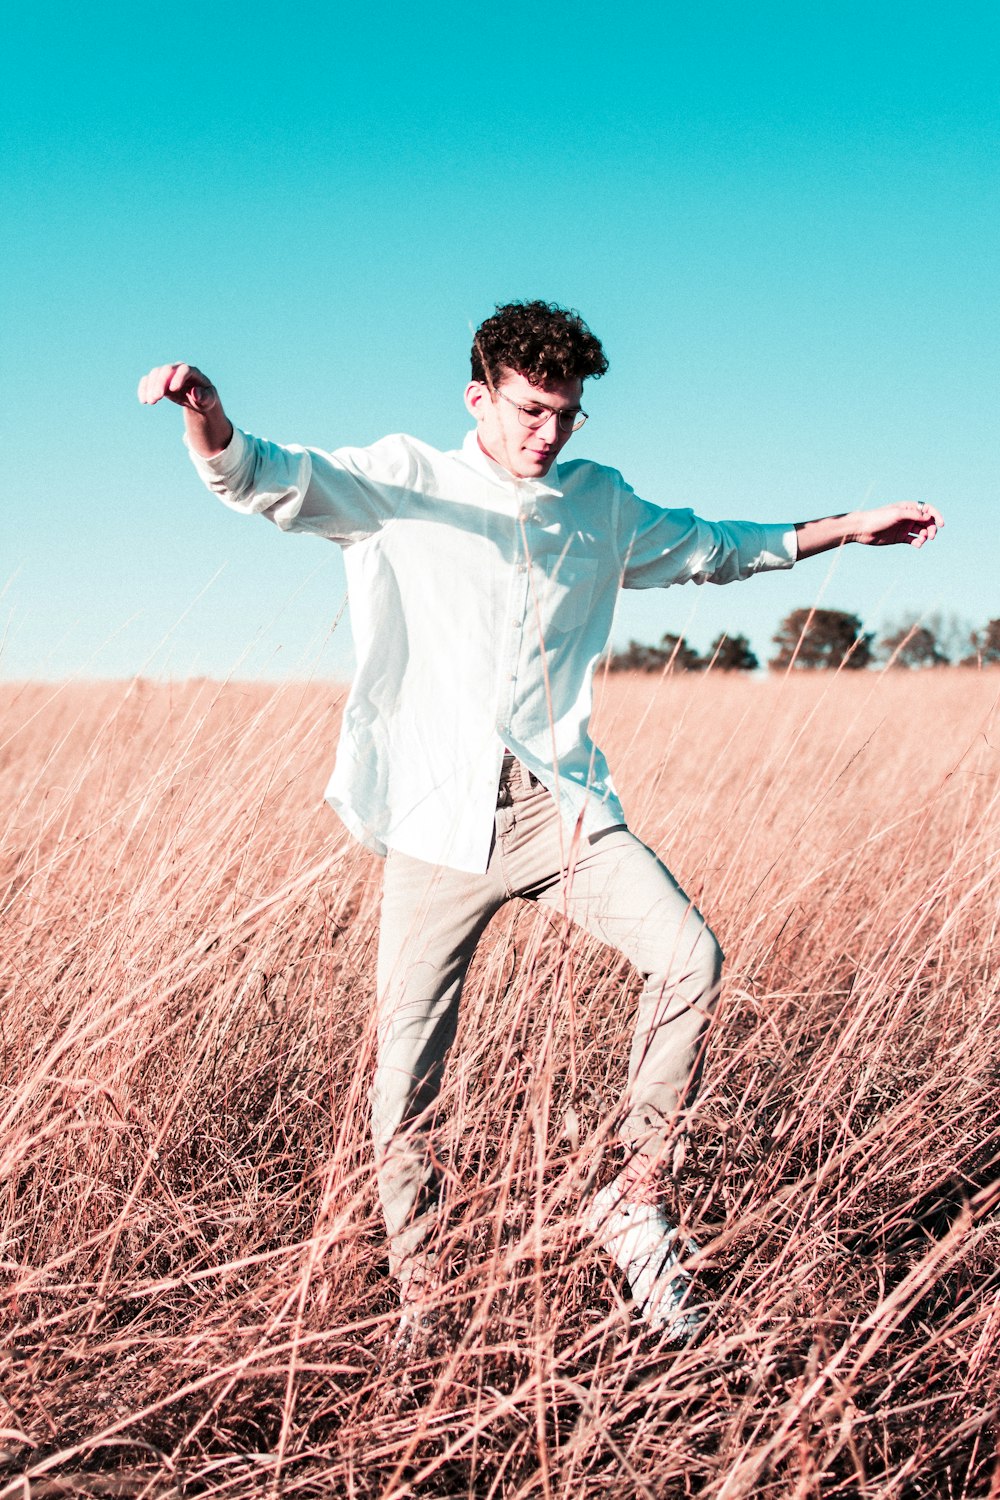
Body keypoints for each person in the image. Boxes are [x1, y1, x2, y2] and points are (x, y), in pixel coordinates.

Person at [138, 300, 942, 1345]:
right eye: (527, 410)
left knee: (689, 957)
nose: (546, 433)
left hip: (556, 807)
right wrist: (204, 412)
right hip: (435, 817)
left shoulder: (597, 503)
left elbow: (712, 549)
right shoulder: (399, 480)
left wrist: (843, 527)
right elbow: (257, 477)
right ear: (479, 398)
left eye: (565, 414)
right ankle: (425, 1306)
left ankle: (633, 1196)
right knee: (406, 1076)